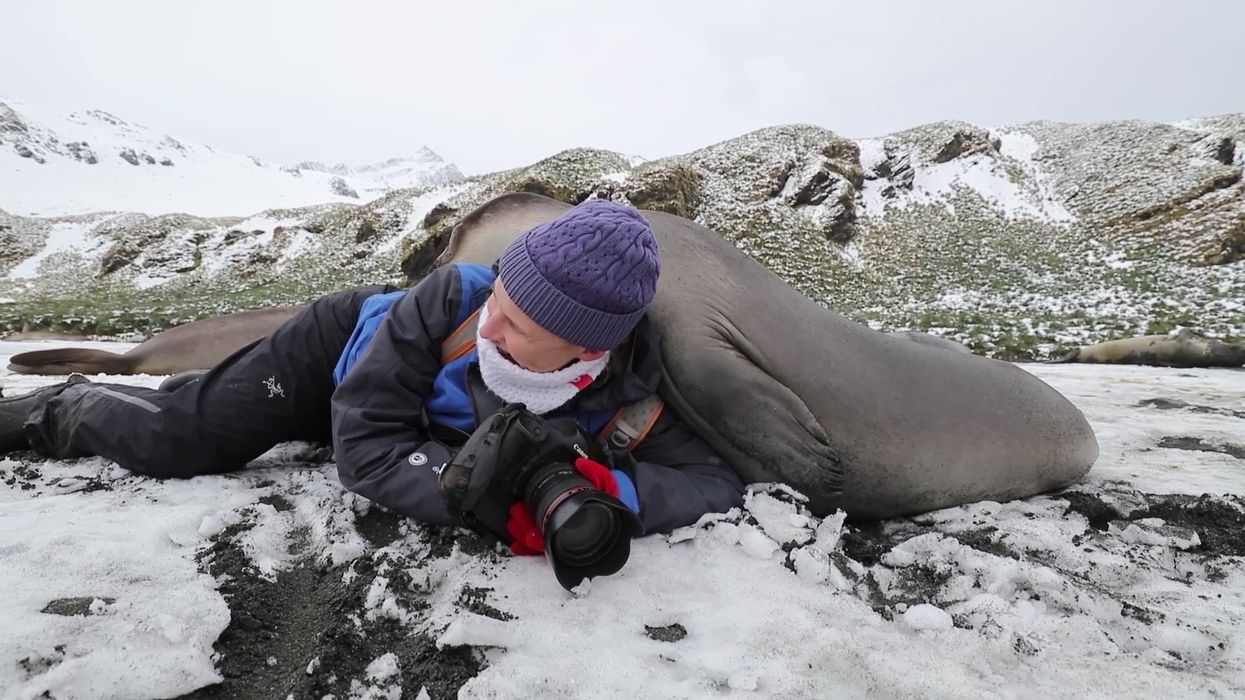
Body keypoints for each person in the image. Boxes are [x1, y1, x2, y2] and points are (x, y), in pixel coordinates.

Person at [0, 198, 744, 585]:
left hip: (402, 410)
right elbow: (365, 449)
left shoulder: (629, 394)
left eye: (517, 324)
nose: (491, 324)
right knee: (178, 439)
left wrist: (606, 491)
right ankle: (56, 408)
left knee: (218, 412)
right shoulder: (452, 299)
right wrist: (486, 500)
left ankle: (208, 391)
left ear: (588, 348)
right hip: (334, 356)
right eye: (499, 296)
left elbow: (712, 480)